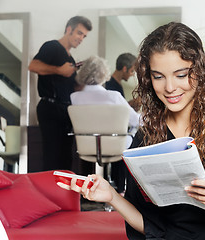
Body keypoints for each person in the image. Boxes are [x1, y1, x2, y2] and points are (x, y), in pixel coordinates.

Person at [58, 22, 205, 240]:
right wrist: (112, 197)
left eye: (181, 74)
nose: (170, 87)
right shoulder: (145, 138)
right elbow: (152, 228)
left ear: (199, 71)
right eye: (158, 76)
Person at [28, 16, 92, 171]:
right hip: (50, 108)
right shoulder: (52, 47)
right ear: (69, 29)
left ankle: (62, 193)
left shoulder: (70, 58)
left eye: (84, 36)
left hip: (64, 111)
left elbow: (67, 86)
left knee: (65, 157)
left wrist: (83, 84)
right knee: (53, 156)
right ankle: (50, 193)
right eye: (79, 33)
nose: (81, 38)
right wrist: (59, 70)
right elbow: (33, 66)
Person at [70, 55, 140, 149]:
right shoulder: (113, 96)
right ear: (104, 74)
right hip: (115, 146)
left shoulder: (74, 97)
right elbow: (136, 121)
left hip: (86, 147)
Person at [105, 52, 139, 192]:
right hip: (114, 134)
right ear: (125, 68)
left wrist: (130, 104)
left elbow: (120, 107)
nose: (132, 75)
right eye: (132, 71)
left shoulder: (115, 86)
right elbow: (115, 112)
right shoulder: (110, 87)